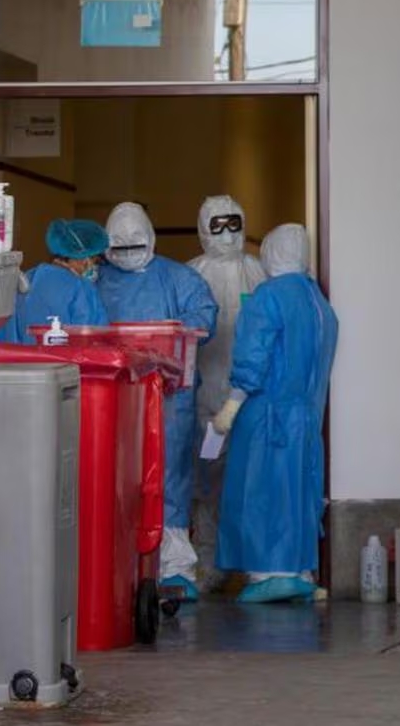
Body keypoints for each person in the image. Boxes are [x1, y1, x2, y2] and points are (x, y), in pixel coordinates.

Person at [212, 224, 338, 604]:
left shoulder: (269, 298)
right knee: (300, 492)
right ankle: (300, 570)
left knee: (263, 493)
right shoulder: (319, 303)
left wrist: (232, 405)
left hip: (268, 414)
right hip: (307, 417)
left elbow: (254, 355)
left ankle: (271, 574)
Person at [98, 202, 219, 601]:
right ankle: (118, 565)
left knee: (168, 477)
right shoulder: (95, 280)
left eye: (137, 246)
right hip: (113, 399)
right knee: (116, 479)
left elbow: (204, 317)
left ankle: (174, 567)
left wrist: (179, 331)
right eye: (121, 248)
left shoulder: (178, 278)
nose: (130, 254)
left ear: (151, 237)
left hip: (171, 401)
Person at [187, 196, 267, 593]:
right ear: (203, 228)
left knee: (251, 480)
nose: (226, 233)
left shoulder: (260, 272)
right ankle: (208, 559)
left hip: (251, 400)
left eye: (233, 223)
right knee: (207, 483)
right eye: (216, 225)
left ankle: (254, 562)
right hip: (205, 403)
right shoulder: (191, 275)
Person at [0, 219, 110, 344]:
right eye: (95, 261)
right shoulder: (82, 289)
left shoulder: (25, 279)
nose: (95, 267)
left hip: (20, 362)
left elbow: (4, 333)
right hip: (67, 363)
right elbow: (95, 341)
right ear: (82, 258)